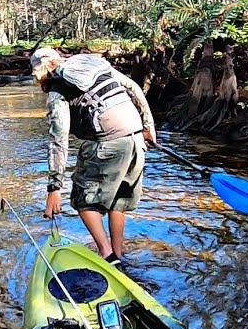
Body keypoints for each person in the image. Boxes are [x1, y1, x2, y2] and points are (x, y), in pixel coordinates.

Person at [31, 46, 156, 269]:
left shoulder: (57, 90)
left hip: (108, 143)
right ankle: (118, 256)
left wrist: (54, 188)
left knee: (83, 201)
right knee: (118, 201)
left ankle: (108, 257)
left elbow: (58, 139)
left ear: (39, 73)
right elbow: (133, 88)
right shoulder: (91, 64)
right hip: (136, 137)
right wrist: (148, 127)